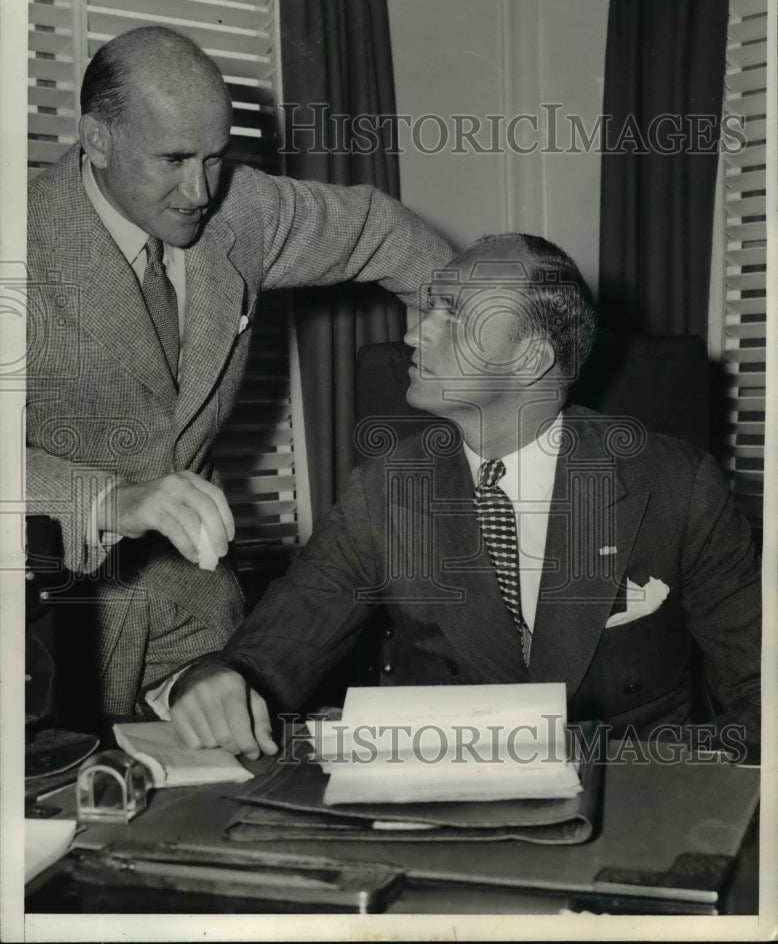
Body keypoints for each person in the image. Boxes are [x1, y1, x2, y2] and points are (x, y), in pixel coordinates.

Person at [161, 233, 761, 759]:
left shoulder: (677, 486)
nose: (412, 333)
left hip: (630, 800)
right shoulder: (387, 489)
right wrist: (215, 676)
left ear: (531, 359)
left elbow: (761, 689)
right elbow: (278, 644)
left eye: (451, 314)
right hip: (445, 795)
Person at [26, 26, 452, 720]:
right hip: (43, 631)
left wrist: (478, 328)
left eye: (215, 158)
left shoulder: (241, 211)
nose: (200, 191)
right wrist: (107, 502)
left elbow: (377, 229)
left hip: (197, 620)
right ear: (96, 140)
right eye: (173, 159)